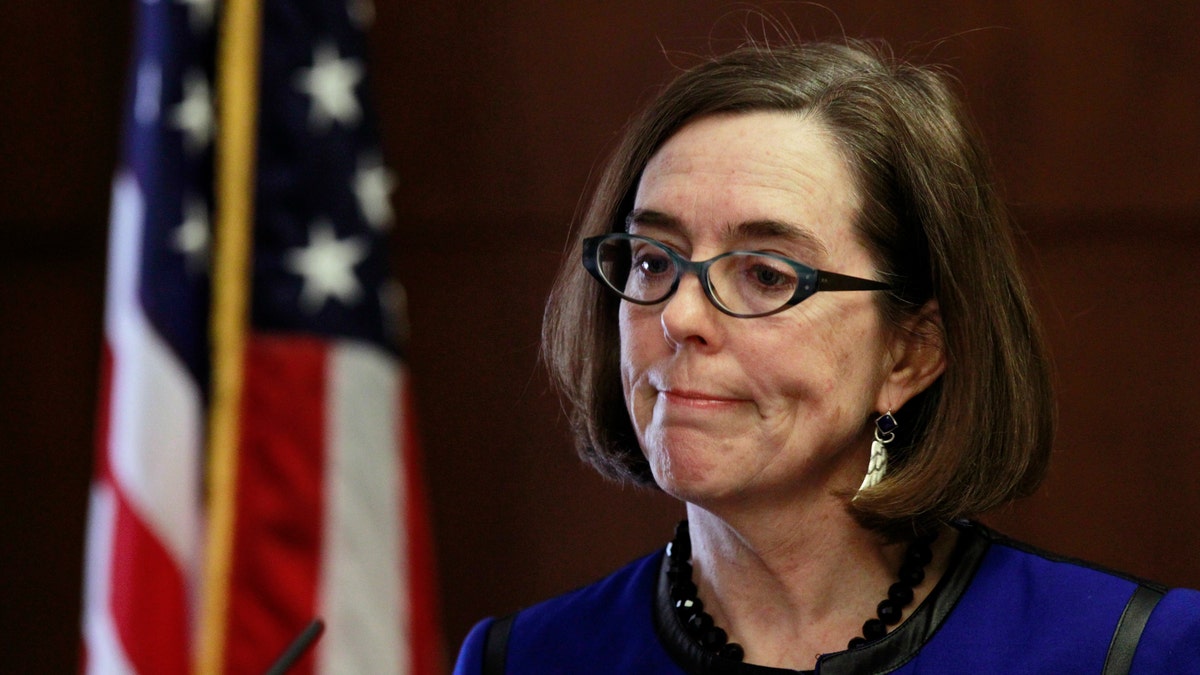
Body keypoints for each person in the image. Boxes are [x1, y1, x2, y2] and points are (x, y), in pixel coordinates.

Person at [452, 38, 1200, 674]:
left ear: (910, 352)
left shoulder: (1131, 651)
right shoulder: (521, 658)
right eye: (653, 259)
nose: (679, 315)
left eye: (766, 274)